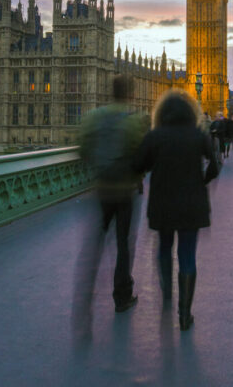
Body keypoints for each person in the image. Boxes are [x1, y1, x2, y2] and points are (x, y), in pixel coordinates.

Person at [135, 90, 219, 331]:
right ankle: (184, 314)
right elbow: (214, 166)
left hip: (163, 204)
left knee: (164, 247)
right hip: (192, 204)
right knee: (187, 255)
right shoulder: (197, 135)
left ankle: (167, 291)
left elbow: (138, 164)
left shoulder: (155, 135)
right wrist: (201, 181)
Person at [76, 74, 149, 314]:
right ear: (130, 94)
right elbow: (141, 156)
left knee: (94, 245)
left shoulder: (93, 117)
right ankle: (122, 297)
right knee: (123, 245)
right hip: (125, 192)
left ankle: (84, 299)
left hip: (101, 189)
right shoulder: (133, 120)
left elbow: (83, 148)